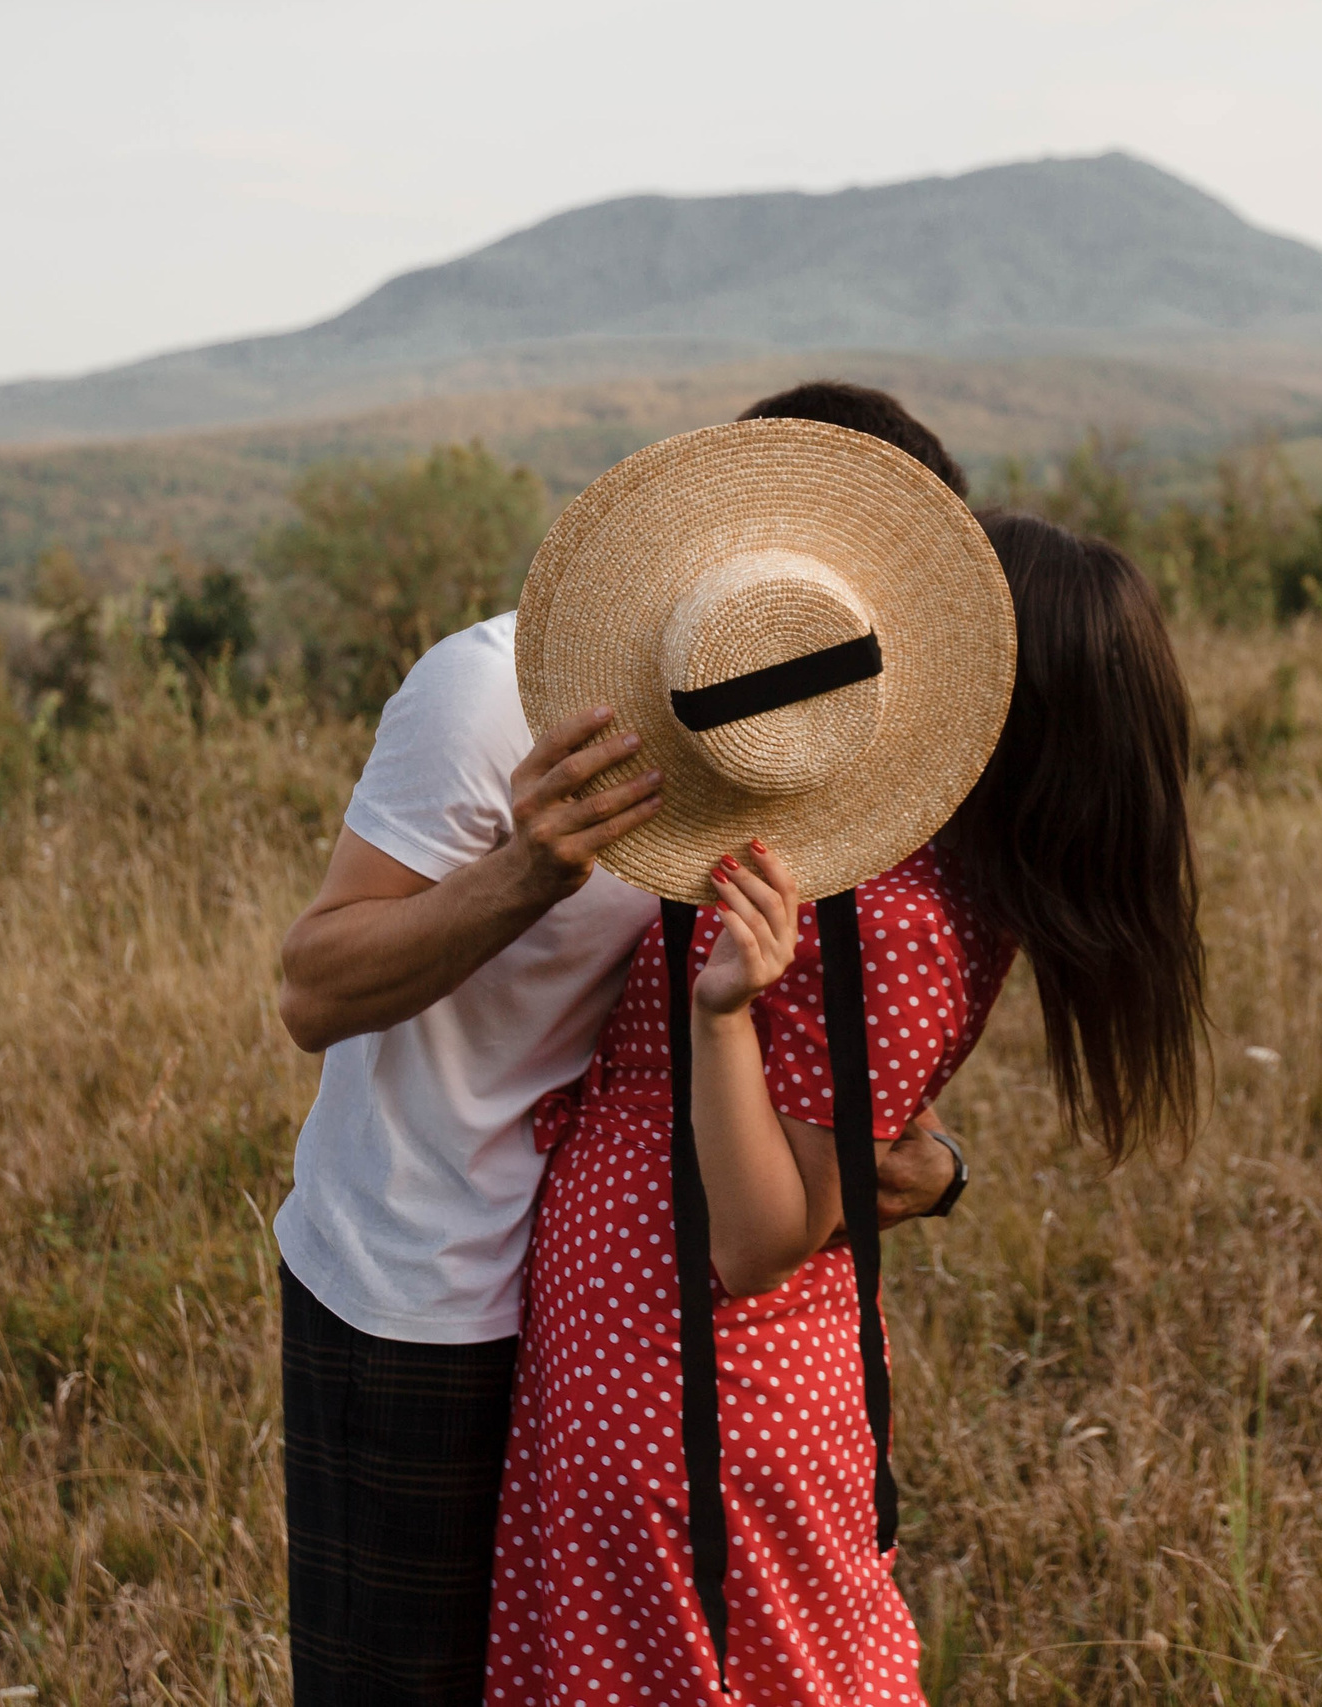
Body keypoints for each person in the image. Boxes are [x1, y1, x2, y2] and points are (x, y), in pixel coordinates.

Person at [272, 385, 976, 1707]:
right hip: (423, 1292)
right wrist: (522, 876)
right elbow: (313, 986)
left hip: (606, 1326)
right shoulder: (491, 691)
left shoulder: (818, 744)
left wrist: (919, 1168)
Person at [484, 497, 1207, 1706]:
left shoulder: (899, 924)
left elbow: (762, 1239)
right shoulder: (889, 857)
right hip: (647, 1367)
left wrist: (717, 1020)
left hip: (690, 1388)